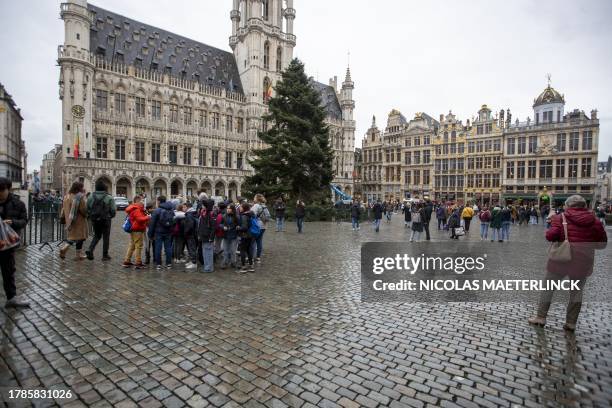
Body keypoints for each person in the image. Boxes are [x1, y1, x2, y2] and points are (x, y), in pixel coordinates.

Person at [528, 195, 607, 331]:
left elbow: (550, 236)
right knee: (576, 292)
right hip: (582, 262)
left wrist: (552, 223)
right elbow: (602, 244)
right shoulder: (595, 221)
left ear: (568, 206)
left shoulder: (560, 218)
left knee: (548, 289)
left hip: (560, 260)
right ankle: (571, 323)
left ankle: (541, 317)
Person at [0, 178, 29, 308]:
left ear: (9, 189)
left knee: (8, 271)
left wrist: (12, 222)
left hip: (8, 244)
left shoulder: (18, 204)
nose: (0, 193)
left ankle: (11, 298)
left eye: (2, 190)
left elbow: (24, 220)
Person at [85, 181, 116, 260]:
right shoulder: (109, 197)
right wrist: (110, 216)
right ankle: (105, 255)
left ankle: (90, 249)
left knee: (97, 235)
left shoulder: (91, 196)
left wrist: (91, 215)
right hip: (106, 219)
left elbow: (87, 208)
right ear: (105, 189)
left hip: (94, 219)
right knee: (106, 237)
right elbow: (113, 210)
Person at [59, 181, 88, 261]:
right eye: (82, 187)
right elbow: (83, 209)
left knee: (72, 237)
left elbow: (64, 208)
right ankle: (77, 254)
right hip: (79, 220)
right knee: (80, 237)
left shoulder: (67, 196)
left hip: (70, 220)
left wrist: (64, 217)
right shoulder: (79, 197)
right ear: (79, 188)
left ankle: (65, 248)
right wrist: (87, 214)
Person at [122, 195, 150, 268]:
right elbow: (139, 219)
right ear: (138, 201)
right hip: (137, 229)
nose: (143, 202)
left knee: (132, 245)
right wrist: (148, 217)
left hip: (134, 229)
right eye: (142, 200)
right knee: (138, 246)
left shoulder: (135, 208)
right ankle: (138, 262)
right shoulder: (136, 209)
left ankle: (127, 261)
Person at [148, 196, 175, 270]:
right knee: (168, 248)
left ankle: (159, 264)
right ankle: (169, 264)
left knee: (158, 248)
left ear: (159, 201)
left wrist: (150, 234)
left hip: (158, 232)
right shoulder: (171, 209)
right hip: (168, 231)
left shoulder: (157, 210)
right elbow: (173, 221)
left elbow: (152, 223)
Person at [197, 198, 217, 273]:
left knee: (208, 252)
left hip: (208, 237)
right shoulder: (204, 213)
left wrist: (211, 237)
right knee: (205, 252)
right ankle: (207, 266)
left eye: (203, 205)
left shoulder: (211, 214)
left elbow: (213, 227)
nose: (202, 206)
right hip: (204, 236)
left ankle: (208, 268)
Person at [237, 202, 256, 273]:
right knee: (249, 251)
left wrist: (238, 228)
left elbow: (244, 227)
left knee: (242, 251)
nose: (239, 208)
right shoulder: (251, 214)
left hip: (244, 235)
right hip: (250, 235)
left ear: (244, 208)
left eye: (241, 207)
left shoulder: (244, 216)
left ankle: (243, 267)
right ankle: (251, 266)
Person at [251, 194, 270, 262]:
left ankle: (251, 257)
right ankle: (258, 257)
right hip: (264, 226)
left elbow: (252, 214)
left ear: (257, 198)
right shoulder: (264, 205)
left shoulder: (256, 205)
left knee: (252, 241)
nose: (253, 198)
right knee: (259, 241)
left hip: (257, 225)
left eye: (254, 197)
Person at [220, 204, 239, 270]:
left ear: (232, 209)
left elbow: (239, 224)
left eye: (229, 208)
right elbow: (220, 224)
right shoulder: (224, 216)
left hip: (234, 235)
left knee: (233, 250)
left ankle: (233, 262)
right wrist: (223, 227)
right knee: (225, 250)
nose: (227, 209)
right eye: (227, 208)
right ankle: (225, 262)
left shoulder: (236, 217)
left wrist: (238, 227)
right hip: (226, 235)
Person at [183, 202, 199, 270]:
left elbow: (190, 225)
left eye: (184, 207)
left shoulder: (189, 214)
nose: (183, 209)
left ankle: (194, 263)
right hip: (193, 234)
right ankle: (192, 261)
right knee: (191, 248)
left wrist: (185, 232)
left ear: (187, 207)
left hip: (191, 234)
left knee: (192, 248)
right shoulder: (192, 213)